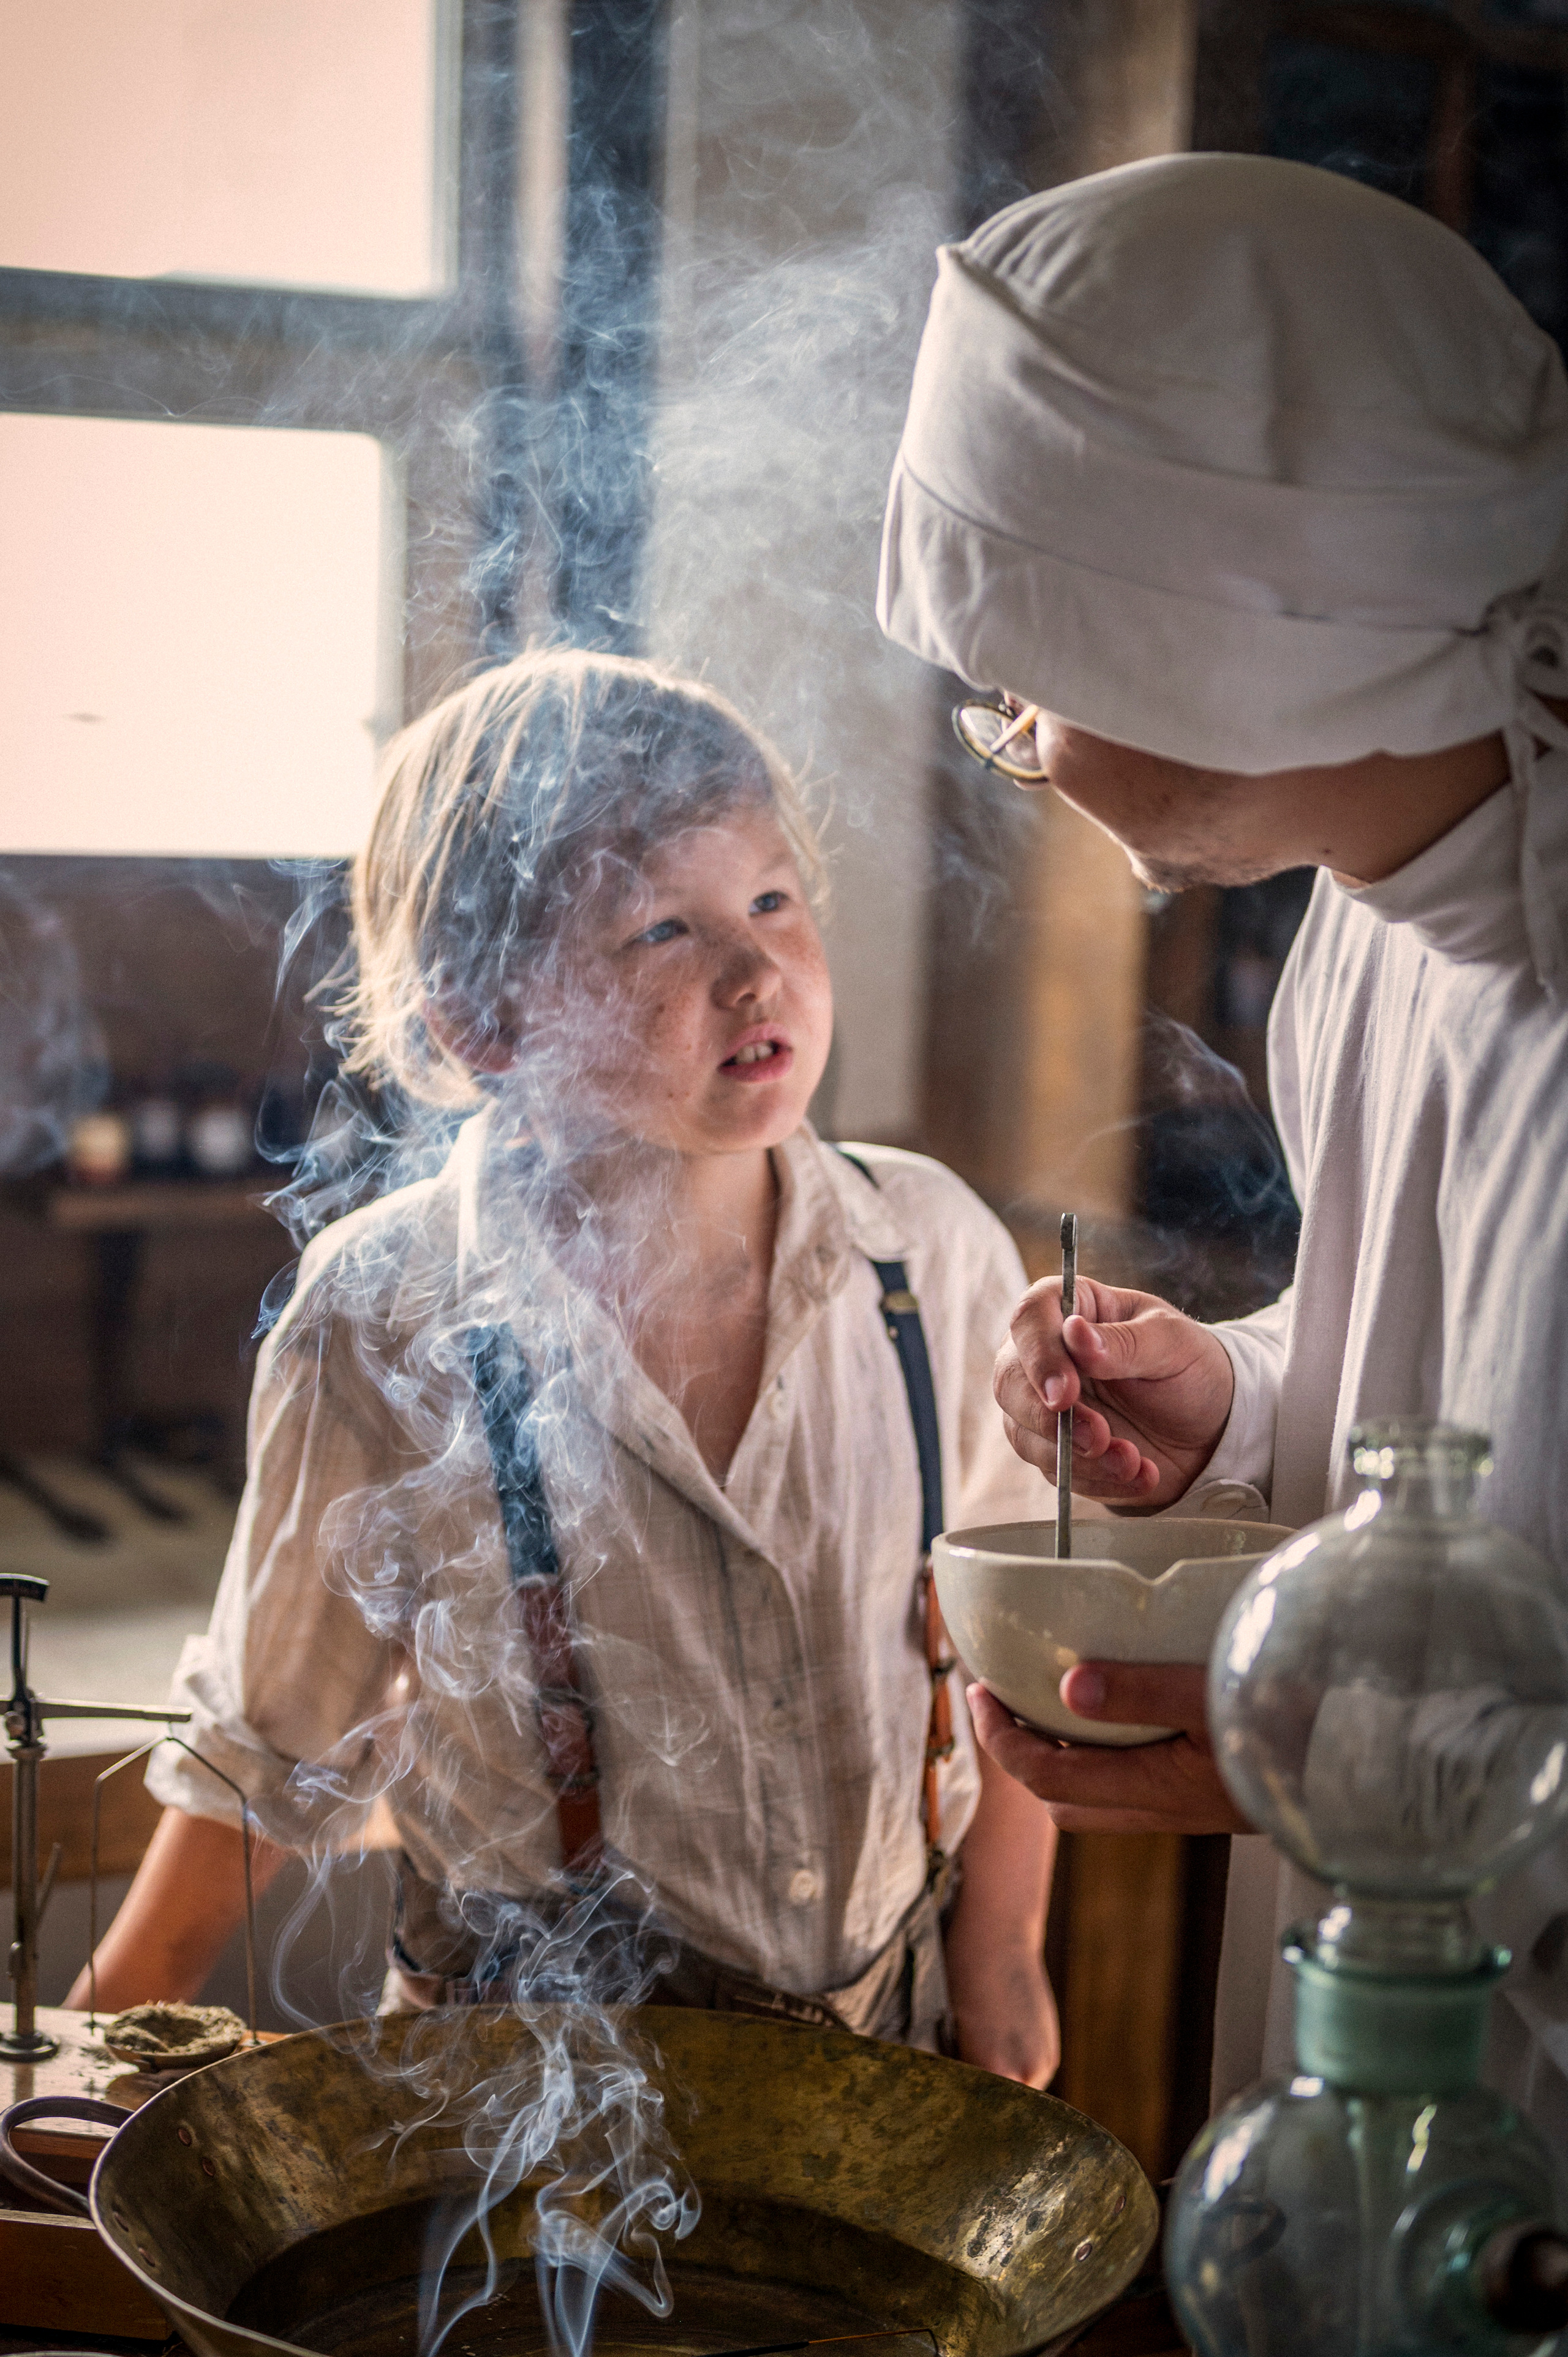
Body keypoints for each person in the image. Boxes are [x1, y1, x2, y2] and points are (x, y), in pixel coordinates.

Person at [70, 647, 1058, 2084]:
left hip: (888, 2067)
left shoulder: (931, 1254)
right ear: (479, 1022)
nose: (755, 967)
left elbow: (1009, 1648)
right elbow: (271, 1744)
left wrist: (1003, 1963)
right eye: (659, 928)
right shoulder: (383, 1314)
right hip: (521, 2106)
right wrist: (95, 2040)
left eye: (772, 899)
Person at [875, 153, 1568, 2133]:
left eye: (1023, 688)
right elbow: (1449, 1419)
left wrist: (1311, 1759)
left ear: (1222, 645)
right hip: (1384, 2024)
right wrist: (1239, 1399)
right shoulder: (1383, 900)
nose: (1020, 742)